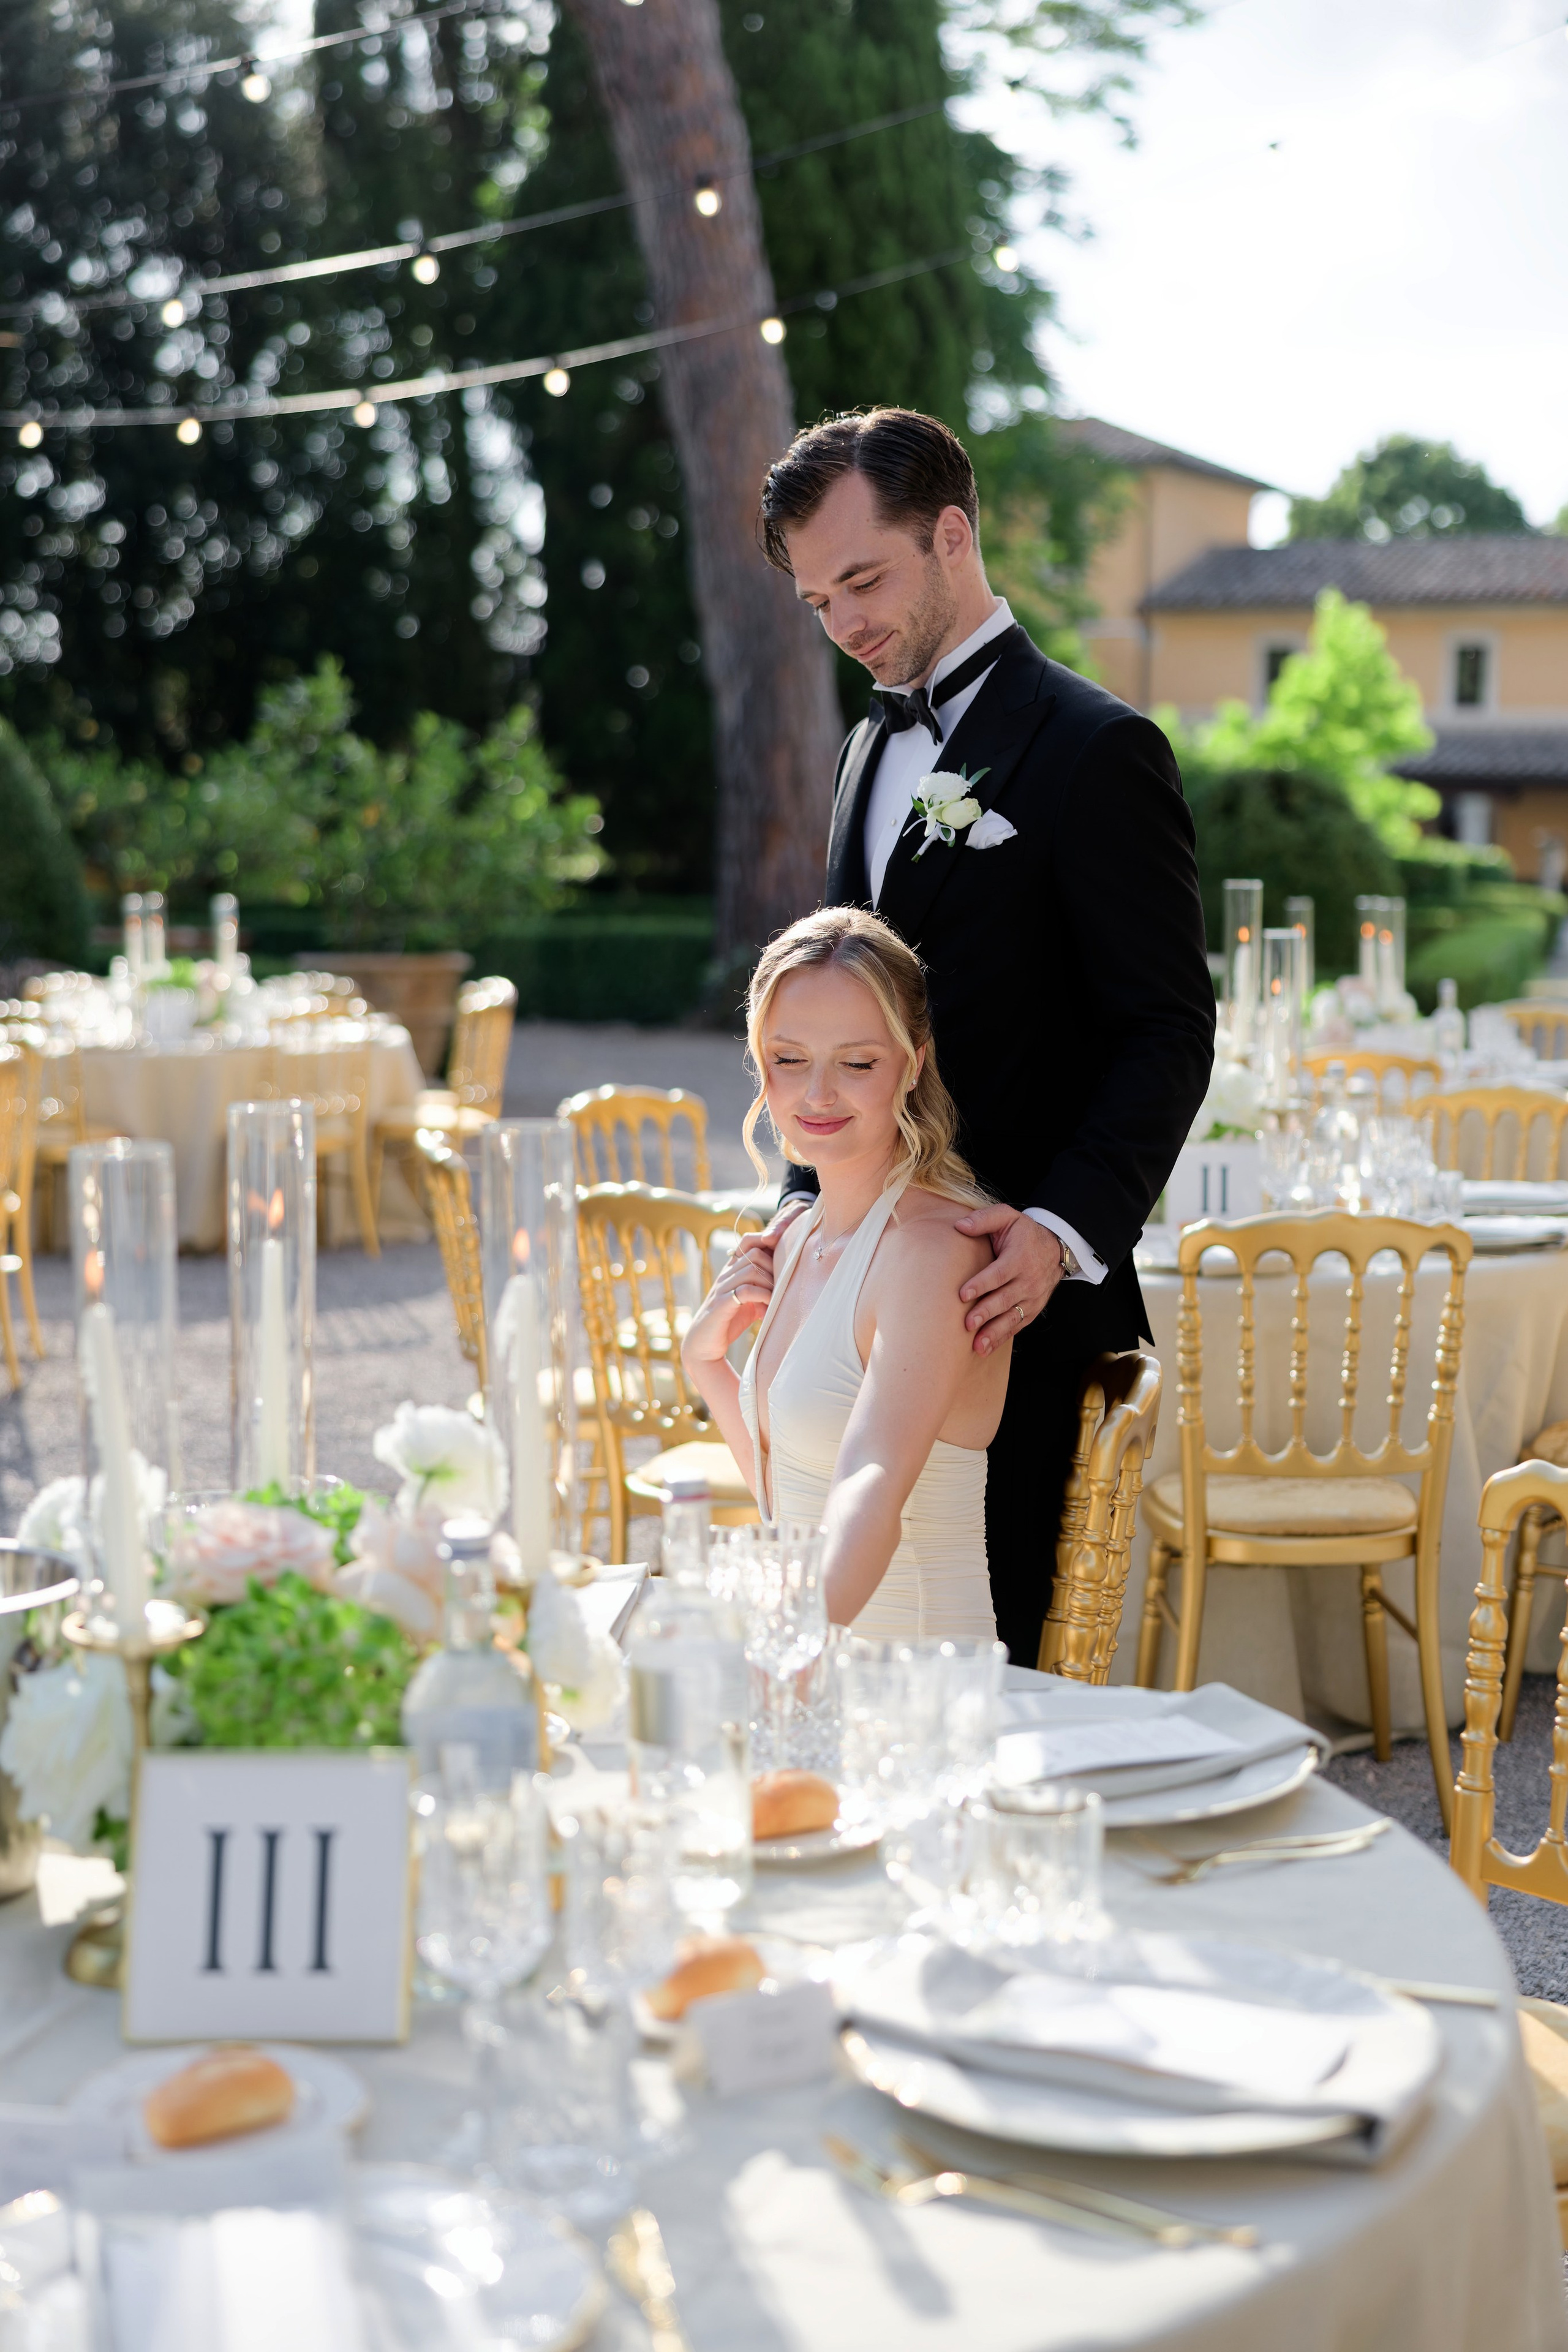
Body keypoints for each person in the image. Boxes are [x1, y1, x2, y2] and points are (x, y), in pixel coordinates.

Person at [748, 406, 1215, 1667]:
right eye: (814, 599)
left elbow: (1166, 1028)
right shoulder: (861, 750)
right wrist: (800, 1215)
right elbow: (843, 1021)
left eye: (862, 579)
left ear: (950, 534)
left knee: (990, 1685)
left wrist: (1060, 1230)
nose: (841, 621)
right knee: (833, 1644)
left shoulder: (1096, 749)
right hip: (850, 1297)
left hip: (1014, 1316)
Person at [681, 907, 1008, 1637]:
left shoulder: (933, 1253)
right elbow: (789, 1494)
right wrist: (706, 1364)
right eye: (788, 1060)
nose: (817, 1094)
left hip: (913, 1687)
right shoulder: (795, 1232)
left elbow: (871, 1485)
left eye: (857, 1063)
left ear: (913, 1062)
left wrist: (785, 1655)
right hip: (823, 1651)